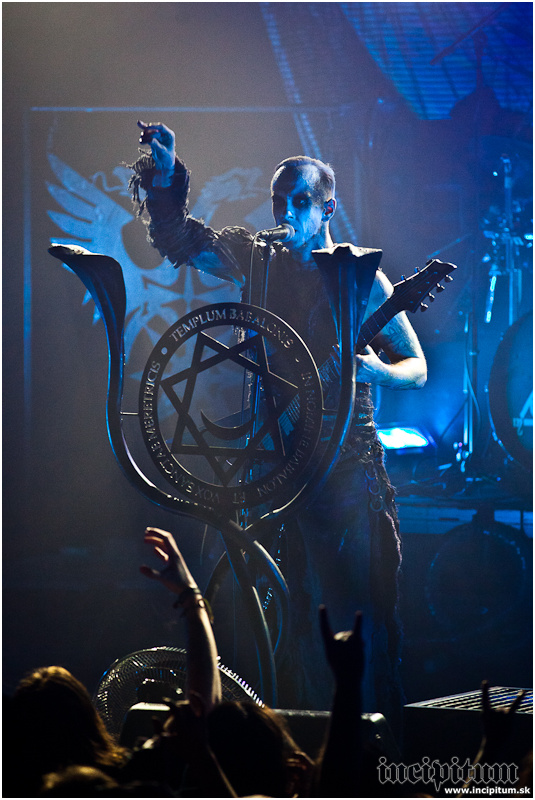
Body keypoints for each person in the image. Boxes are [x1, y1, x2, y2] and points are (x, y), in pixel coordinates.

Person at [128, 121, 427, 726]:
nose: (286, 212)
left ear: (327, 209)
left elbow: (417, 368)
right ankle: (293, 744)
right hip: (276, 464)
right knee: (284, 617)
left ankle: (370, 746)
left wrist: (375, 371)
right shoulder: (259, 261)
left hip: (347, 466)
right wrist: (163, 174)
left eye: (300, 201)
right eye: (278, 200)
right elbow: (183, 239)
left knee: (357, 612)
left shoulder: (361, 280)